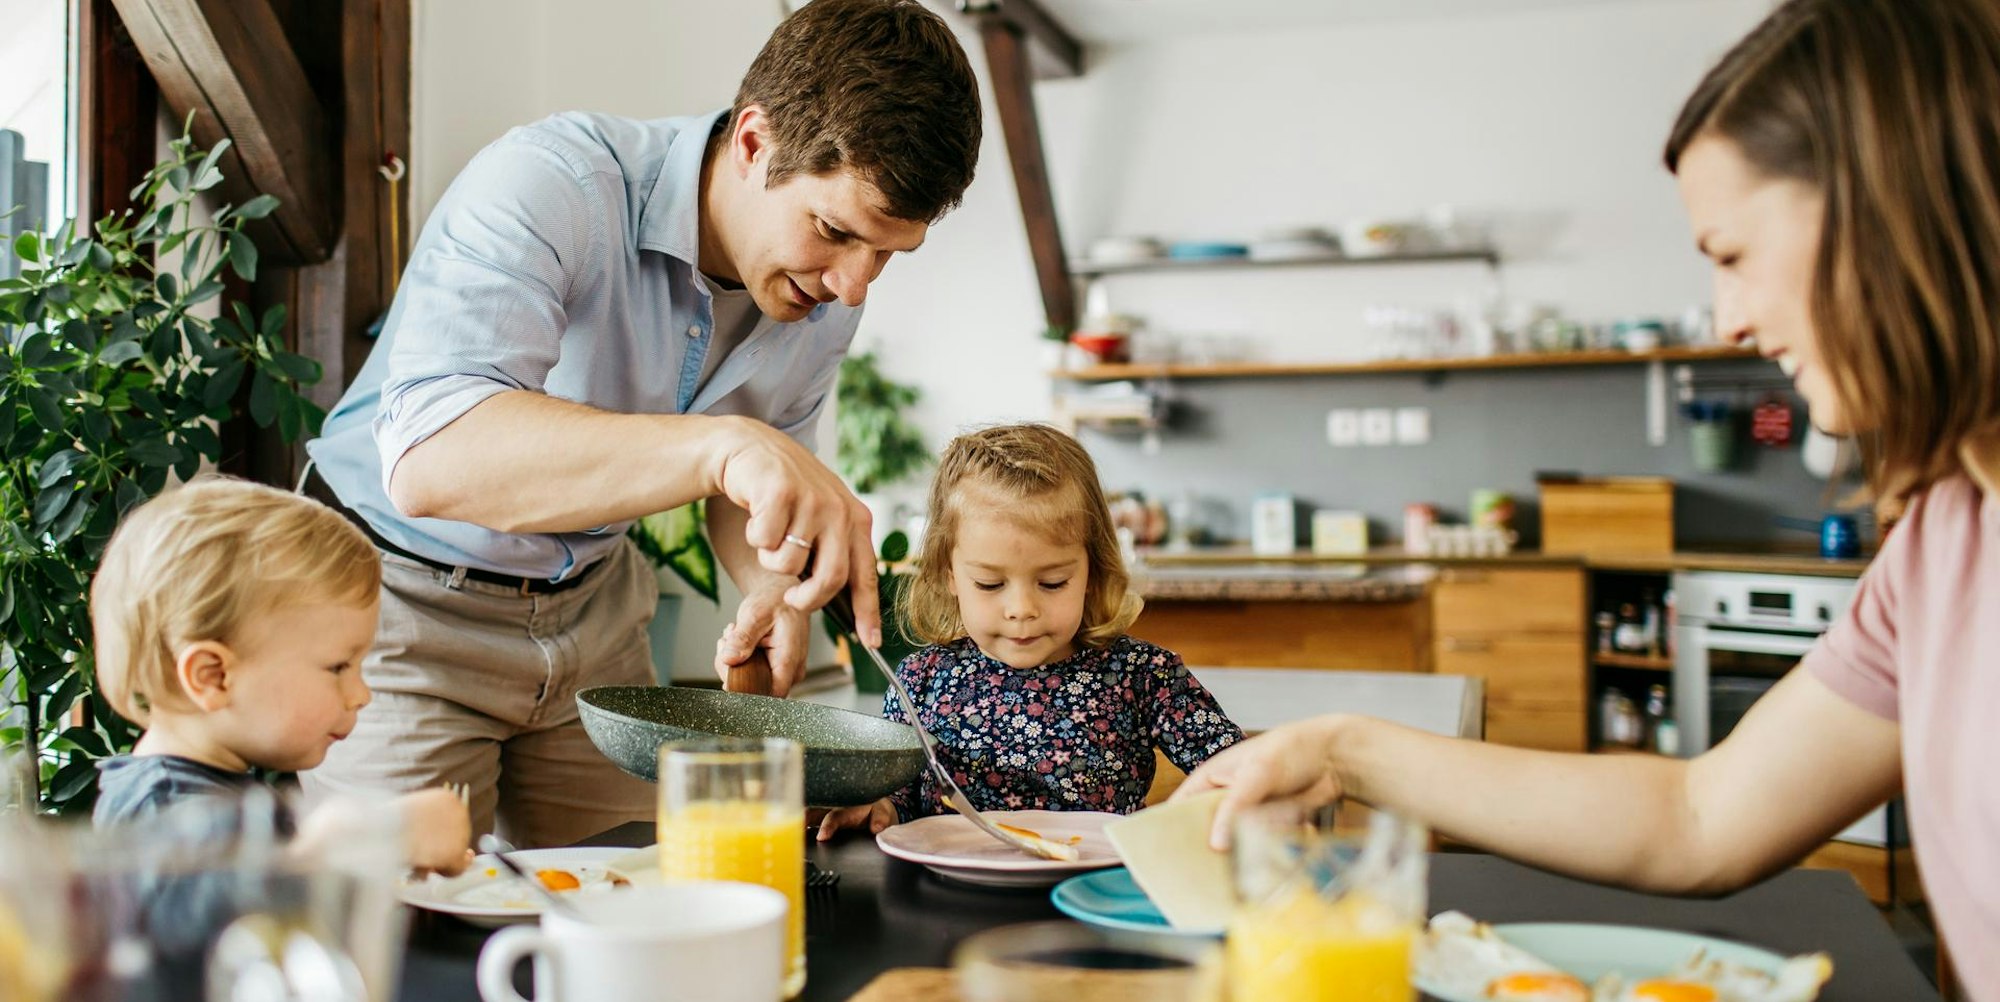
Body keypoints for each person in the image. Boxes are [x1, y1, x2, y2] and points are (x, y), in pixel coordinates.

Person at [1176, 0, 2000, 989]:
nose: (1726, 320)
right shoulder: (1941, 545)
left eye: (1730, 256)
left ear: (1891, 204)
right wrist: (1338, 749)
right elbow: (1697, 820)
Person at [299, 0, 983, 845]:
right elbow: (432, 459)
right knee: (397, 941)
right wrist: (726, 446)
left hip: (593, 617)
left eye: (885, 254)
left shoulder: (824, 289)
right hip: (391, 608)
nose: (853, 287)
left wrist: (768, 584)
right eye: (835, 232)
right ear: (753, 142)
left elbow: (754, 491)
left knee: (639, 910)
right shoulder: (552, 183)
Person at [818, 424, 1243, 838]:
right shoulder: (918, 682)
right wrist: (880, 808)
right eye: (990, 584)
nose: (1021, 610)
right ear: (949, 574)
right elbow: (902, 798)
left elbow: (1236, 769)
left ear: (1092, 571)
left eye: (1052, 582)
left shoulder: (1145, 675)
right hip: (955, 899)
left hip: (1097, 892)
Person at [90, 476, 471, 874]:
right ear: (212, 676)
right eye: (338, 667)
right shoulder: (163, 814)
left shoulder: (220, 791)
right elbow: (229, 913)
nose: (361, 695)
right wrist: (372, 836)